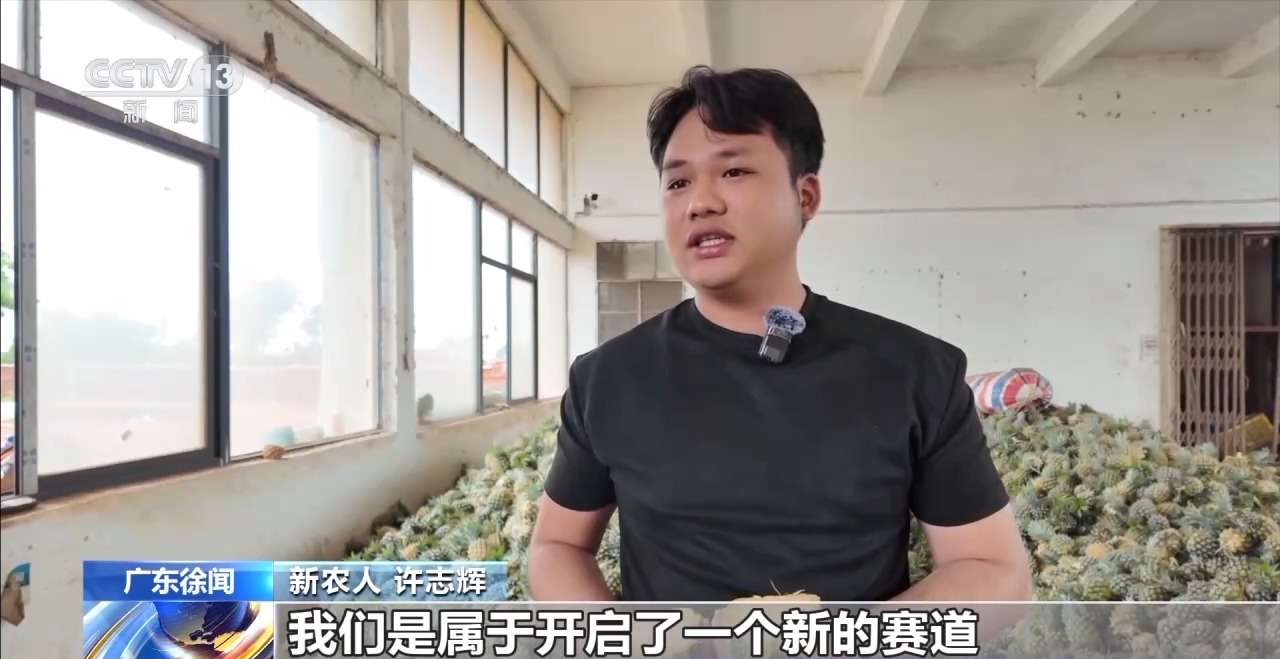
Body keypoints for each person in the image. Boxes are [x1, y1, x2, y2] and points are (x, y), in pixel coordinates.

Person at [528, 65, 1032, 604]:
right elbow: (557, 545)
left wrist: (851, 642)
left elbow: (993, 570)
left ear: (805, 195)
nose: (700, 202)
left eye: (734, 171)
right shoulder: (607, 378)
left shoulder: (916, 372)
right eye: (677, 182)